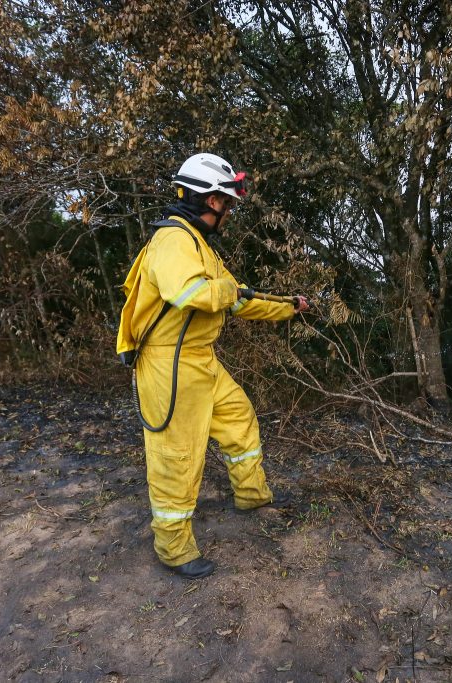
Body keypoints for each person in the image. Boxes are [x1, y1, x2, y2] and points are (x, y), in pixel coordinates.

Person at [116, 153, 309, 579]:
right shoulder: (172, 240)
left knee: (239, 420)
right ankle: (174, 548)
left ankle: (252, 496)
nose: (228, 212)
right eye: (225, 203)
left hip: (201, 359)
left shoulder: (198, 244)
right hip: (170, 365)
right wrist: (227, 288)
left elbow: (237, 298)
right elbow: (192, 294)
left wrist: (288, 308)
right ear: (205, 199)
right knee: (177, 456)